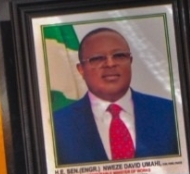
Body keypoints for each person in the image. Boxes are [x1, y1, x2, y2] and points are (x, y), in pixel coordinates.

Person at [53, 27, 178, 165]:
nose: (110, 63)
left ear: (130, 61)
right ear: (81, 69)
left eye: (119, 56)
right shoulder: (57, 125)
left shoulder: (170, 113)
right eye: (97, 58)